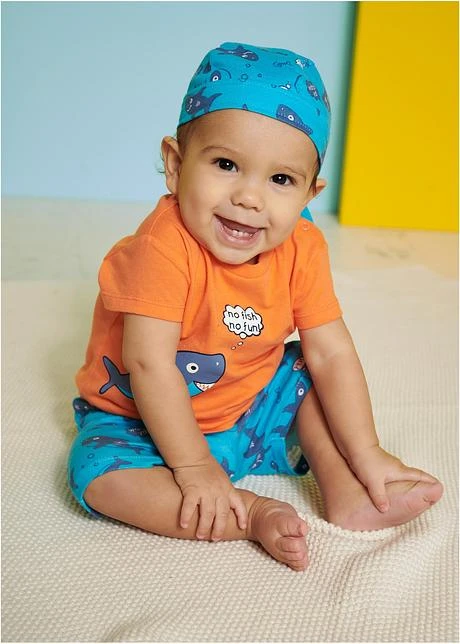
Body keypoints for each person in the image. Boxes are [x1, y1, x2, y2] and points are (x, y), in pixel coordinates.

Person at [68, 42, 443, 571]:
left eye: (280, 179)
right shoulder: (162, 247)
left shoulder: (303, 246)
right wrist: (193, 466)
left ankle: (345, 486)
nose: (249, 197)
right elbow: (149, 363)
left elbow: (332, 353)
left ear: (309, 194)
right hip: (139, 422)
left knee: (305, 368)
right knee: (98, 478)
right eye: (226, 164)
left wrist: (368, 452)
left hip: (244, 410)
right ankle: (247, 514)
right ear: (175, 166)